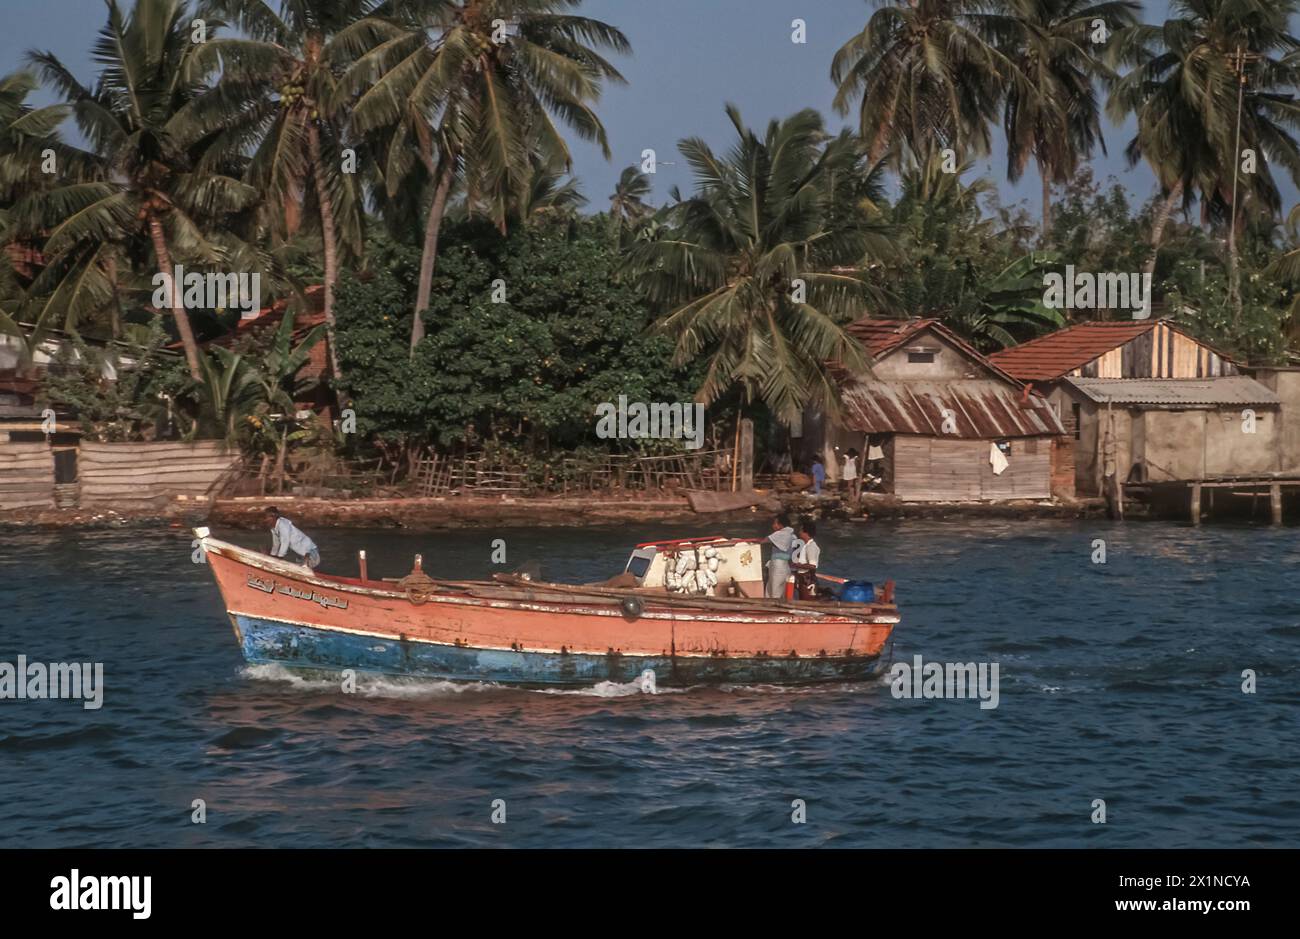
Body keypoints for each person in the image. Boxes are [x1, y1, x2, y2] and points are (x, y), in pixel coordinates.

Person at [765, 514, 797, 599]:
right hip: (786, 565)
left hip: (778, 565)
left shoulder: (781, 534)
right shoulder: (793, 536)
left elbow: (764, 541)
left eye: (775, 523)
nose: (773, 525)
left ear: (781, 525)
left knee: (775, 588)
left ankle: (774, 608)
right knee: (782, 588)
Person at [792, 520, 821, 600]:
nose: (799, 532)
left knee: (806, 601)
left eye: (801, 530)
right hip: (802, 578)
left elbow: (813, 566)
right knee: (802, 599)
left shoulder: (811, 547)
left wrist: (798, 565)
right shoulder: (805, 545)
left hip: (807, 579)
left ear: (806, 533)